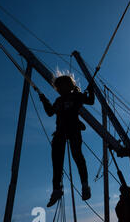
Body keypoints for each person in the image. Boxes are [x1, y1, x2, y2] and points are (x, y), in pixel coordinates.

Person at [39, 74, 95, 207]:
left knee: (77, 156)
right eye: (57, 87)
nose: (58, 89)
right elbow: (50, 112)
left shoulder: (76, 96)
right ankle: (56, 189)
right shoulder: (58, 101)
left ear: (68, 86)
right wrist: (44, 100)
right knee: (57, 162)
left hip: (73, 129)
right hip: (60, 132)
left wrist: (91, 89)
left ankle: (85, 185)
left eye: (60, 86)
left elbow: (90, 101)